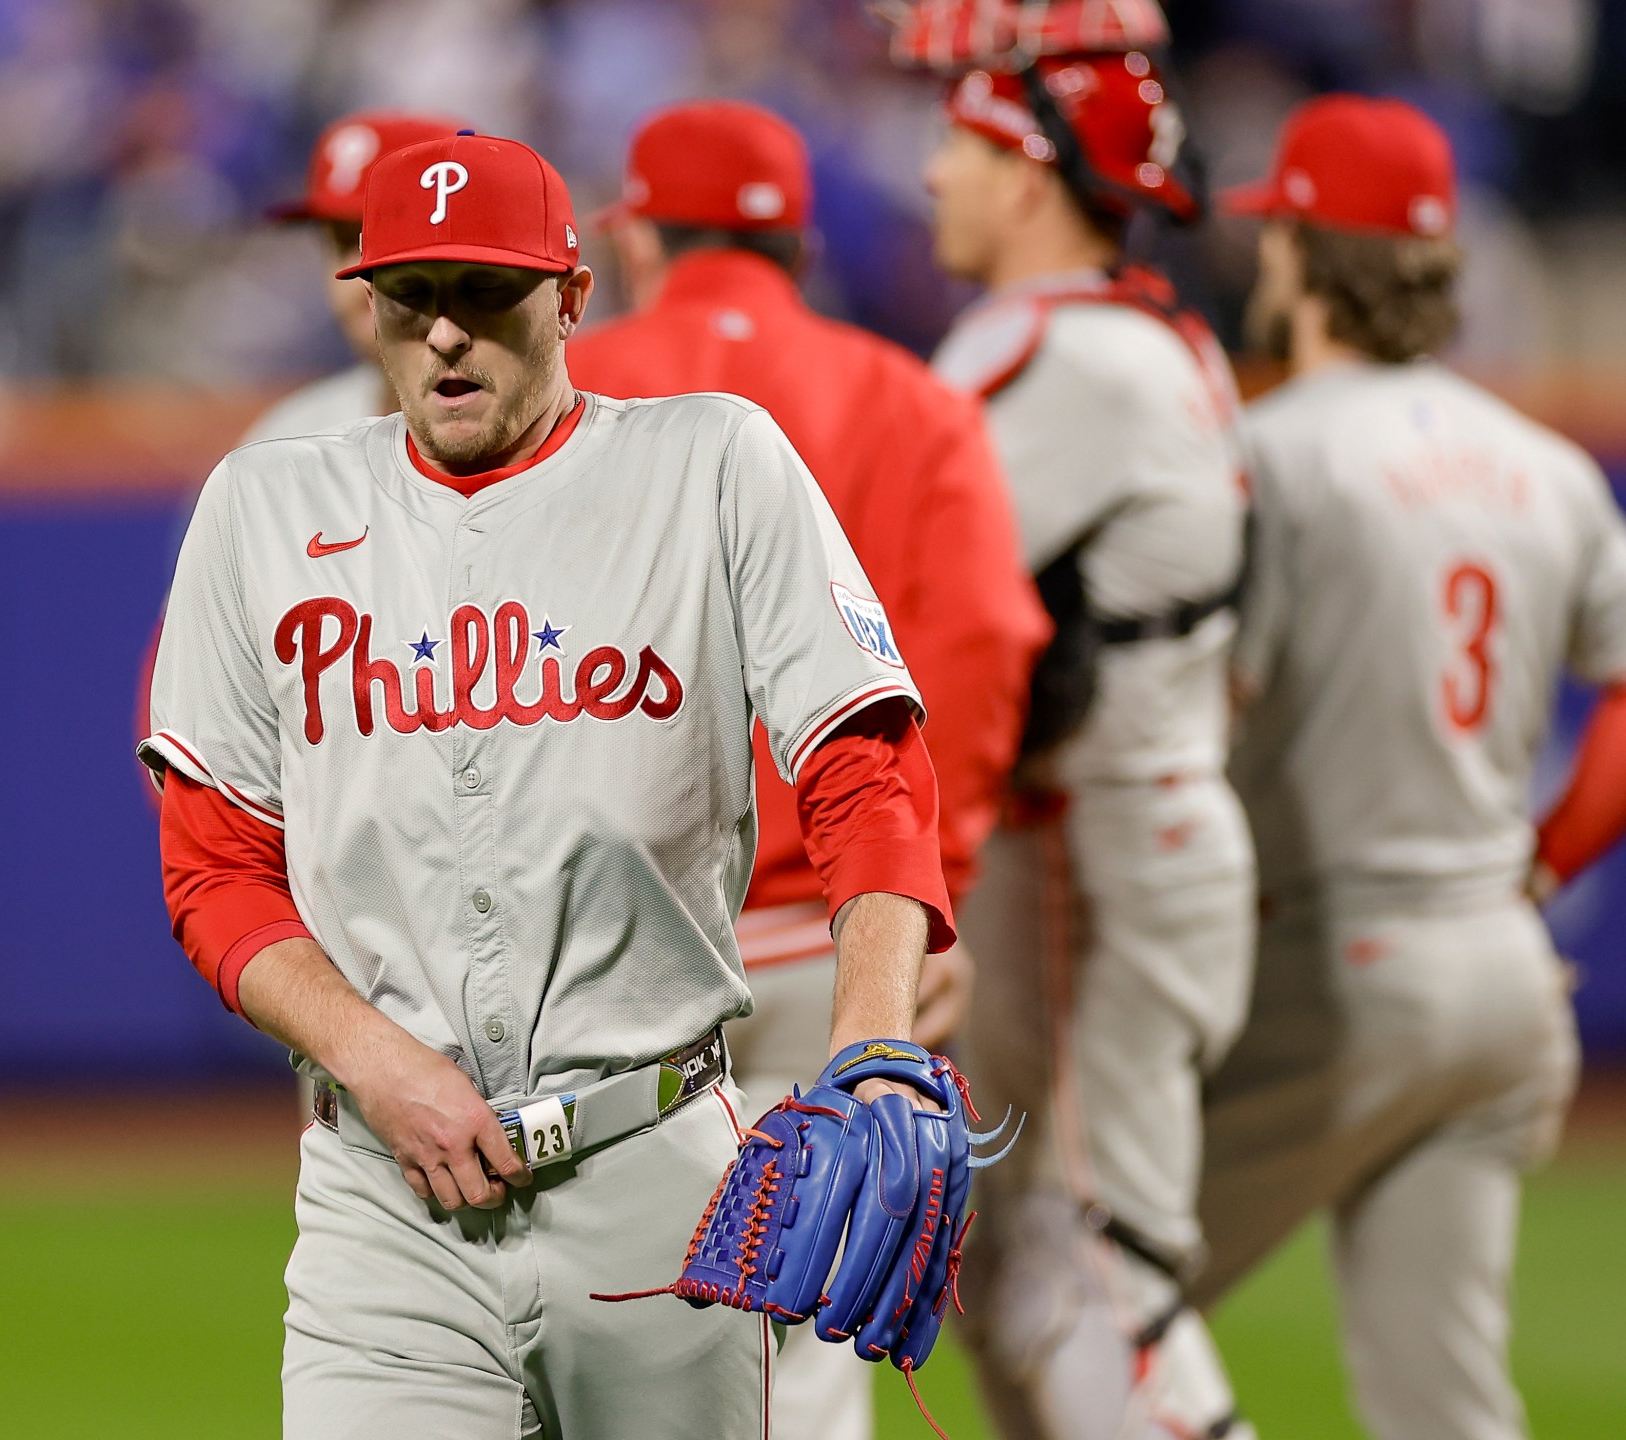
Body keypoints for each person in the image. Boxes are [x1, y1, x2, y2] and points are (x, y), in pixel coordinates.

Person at [143, 130, 957, 1438]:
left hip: (657, 1170)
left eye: (486, 293)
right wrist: (372, 1058)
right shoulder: (265, 505)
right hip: (383, 1200)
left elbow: (868, 771)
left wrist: (873, 1038)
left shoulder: (710, 463)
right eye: (413, 297)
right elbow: (212, 865)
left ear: (573, 297)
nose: (446, 336)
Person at [568, 98, 1046, 1440]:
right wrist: (927, 895)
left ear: (644, 233)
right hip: (834, 946)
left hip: (611, 954)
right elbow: (979, 654)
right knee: (801, 1377)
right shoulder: (912, 396)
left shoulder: (569, 386)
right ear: (797, 244)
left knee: (576, 1337)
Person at [1176, 95, 1626, 1440]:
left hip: (1331, 966)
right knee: (1447, 1408)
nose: (1263, 261)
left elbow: (1203, 721)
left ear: (1311, 255)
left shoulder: (1267, 453)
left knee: (1066, 1287)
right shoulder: (1549, 469)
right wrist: (1540, 870)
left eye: (1278, 237)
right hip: (1498, 974)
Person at [913, 39, 1259, 1440]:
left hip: (1093, 857)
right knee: (1011, 1274)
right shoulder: (1149, 333)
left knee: (1092, 1277)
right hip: (1132, 831)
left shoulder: (1070, 354)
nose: (936, 170)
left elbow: (902, 586)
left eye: (970, 144)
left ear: (1036, 173)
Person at [242, 110, 462, 445]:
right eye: (345, 243)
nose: (361, 276)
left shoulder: (560, 419)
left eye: (391, 240)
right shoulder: (292, 437)